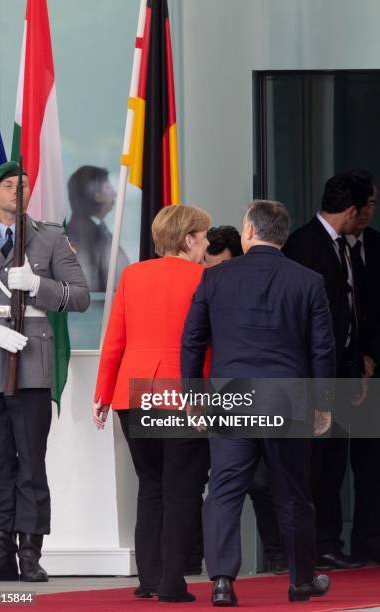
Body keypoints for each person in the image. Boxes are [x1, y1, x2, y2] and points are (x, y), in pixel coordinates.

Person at [181, 200, 335, 606]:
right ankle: (301, 579)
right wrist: (322, 404)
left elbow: (193, 340)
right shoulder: (308, 281)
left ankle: (221, 581)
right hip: (287, 398)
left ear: (248, 232)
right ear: (281, 235)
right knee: (293, 493)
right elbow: (323, 349)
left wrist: (194, 395)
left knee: (224, 490)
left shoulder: (215, 279)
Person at [0, 161, 90, 583]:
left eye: (23, 185)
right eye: (9, 185)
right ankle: (0, 549)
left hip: (32, 364)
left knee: (31, 463)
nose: (18, 191)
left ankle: (31, 552)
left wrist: (39, 287)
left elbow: (80, 297)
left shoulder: (50, 238)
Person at [93, 205, 211, 603]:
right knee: (182, 488)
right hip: (181, 394)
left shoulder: (133, 275)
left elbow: (115, 340)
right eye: (205, 236)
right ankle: (171, 583)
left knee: (152, 485)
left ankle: (149, 579)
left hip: (132, 391)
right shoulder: (206, 278)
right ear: (189, 238)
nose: (208, 243)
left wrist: (102, 395)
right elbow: (209, 344)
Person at [284, 171, 372, 570]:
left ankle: (327, 543)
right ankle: (312, 545)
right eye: (367, 207)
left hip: (341, 373)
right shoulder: (304, 245)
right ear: (351, 210)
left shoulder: (346, 247)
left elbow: (350, 314)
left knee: (334, 462)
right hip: (313, 375)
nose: (368, 216)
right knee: (315, 463)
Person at [201, 225, 288, 575]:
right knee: (206, 485)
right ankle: (207, 562)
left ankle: (278, 553)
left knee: (262, 481)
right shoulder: (205, 286)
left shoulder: (248, 288)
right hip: (208, 395)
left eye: (221, 264)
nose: (214, 272)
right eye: (209, 265)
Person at [345, 170, 380, 563]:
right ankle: (327, 544)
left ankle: (369, 544)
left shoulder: (376, 246)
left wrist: (371, 357)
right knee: (329, 462)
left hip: (373, 374)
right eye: (367, 204)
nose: (371, 211)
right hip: (335, 373)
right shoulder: (313, 245)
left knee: (371, 466)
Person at [66, 165, 130, 292]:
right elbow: (90, 282)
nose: (115, 193)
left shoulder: (79, 229)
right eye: (108, 187)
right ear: (97, 195)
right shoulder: (88, 233)